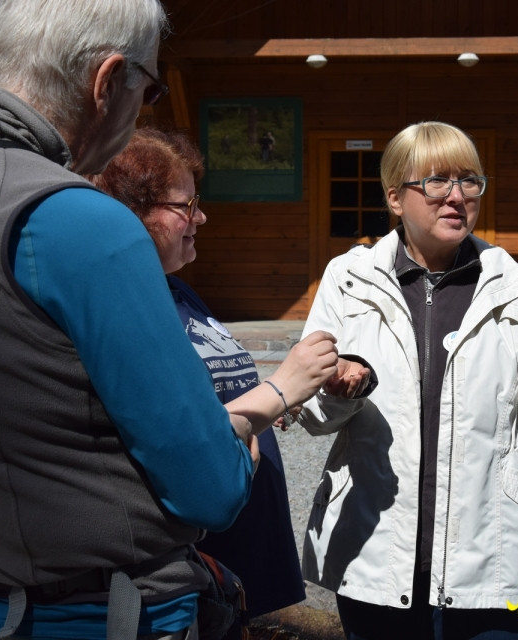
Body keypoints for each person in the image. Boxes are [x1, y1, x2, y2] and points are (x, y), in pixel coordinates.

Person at [0, 1, 269, 639]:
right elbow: (211, 488)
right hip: (109, 615)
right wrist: (241, 443)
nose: (144, 108)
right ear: (107, 81)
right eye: (148, 89)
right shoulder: (81, 222)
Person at [296, 121, 518, 640]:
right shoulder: (348, 280)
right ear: (396, 198)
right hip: (376, 549)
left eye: (469, 181)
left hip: (494, 558)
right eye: (436, 182)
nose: (456, 196)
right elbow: (309, 412)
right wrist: (340, 391)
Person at [90, 128, 339, 635]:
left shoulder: (180, 293)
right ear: (131, 212)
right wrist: (281, 389)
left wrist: (291, 393)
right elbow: (164, 441)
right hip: (194, 573)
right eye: (186, 204)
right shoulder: (128, 306)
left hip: (244, 560)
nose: (200, 217)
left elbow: (218, 396)